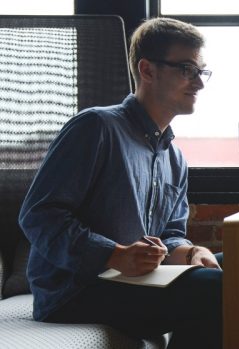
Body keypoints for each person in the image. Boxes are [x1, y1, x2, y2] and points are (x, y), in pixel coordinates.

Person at [19, 18, 222, 348]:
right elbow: (39, 215)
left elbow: (169, 235)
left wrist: (190, 252)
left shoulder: (174, 158)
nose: (199, 83)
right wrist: (113, 255)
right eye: (187, 69)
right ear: (147, 70)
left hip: (134, 282)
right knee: (214, 289)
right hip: (76, 291)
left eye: (202, 71)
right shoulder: (96, 127)